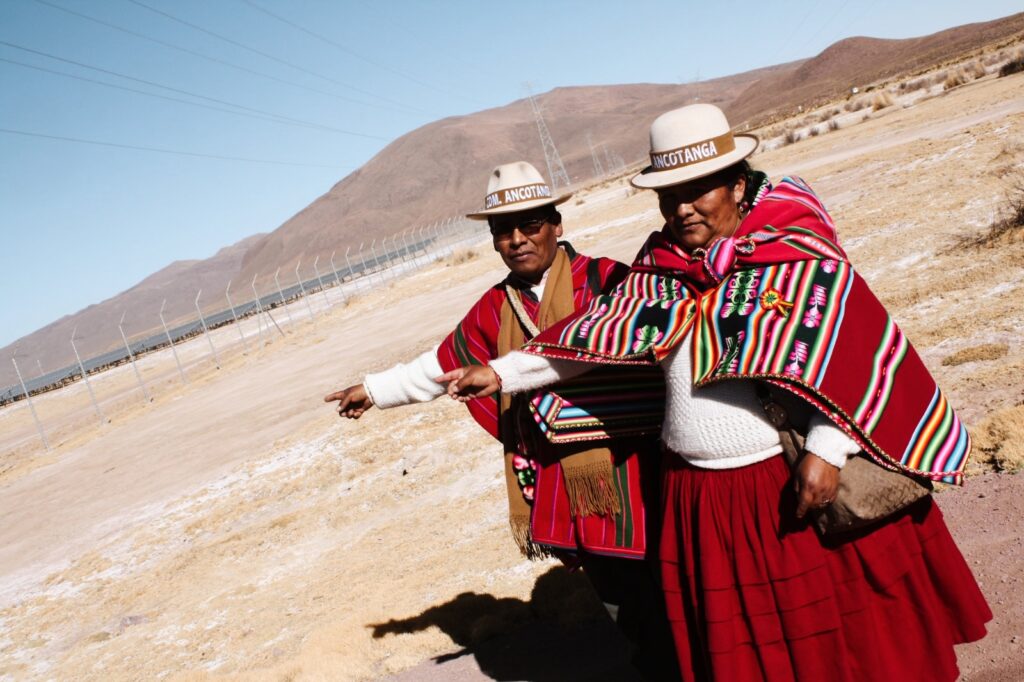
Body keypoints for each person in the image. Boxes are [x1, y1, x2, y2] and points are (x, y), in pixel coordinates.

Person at [443, 104, 992, 681]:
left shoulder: (794, 253)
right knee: (749, 651)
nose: (681, 207)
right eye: (667, 195)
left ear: (736, 183)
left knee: (837, 642)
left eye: (698, 190)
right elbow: (592, 338)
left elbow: (847, 355)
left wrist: (827, 451)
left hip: (779, 482)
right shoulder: (658, 269)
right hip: (697, 494)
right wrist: (502, 373)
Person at [324, 161, 678, 679]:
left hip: (638, 468)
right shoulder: (493, 307)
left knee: (670, 580)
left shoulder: (609, 282)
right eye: (502, 231)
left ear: (557, 224)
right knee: (620, 599)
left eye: (530, 224)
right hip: (569, 482)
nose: (517, 239)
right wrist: (374, 390)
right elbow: (442, 364)